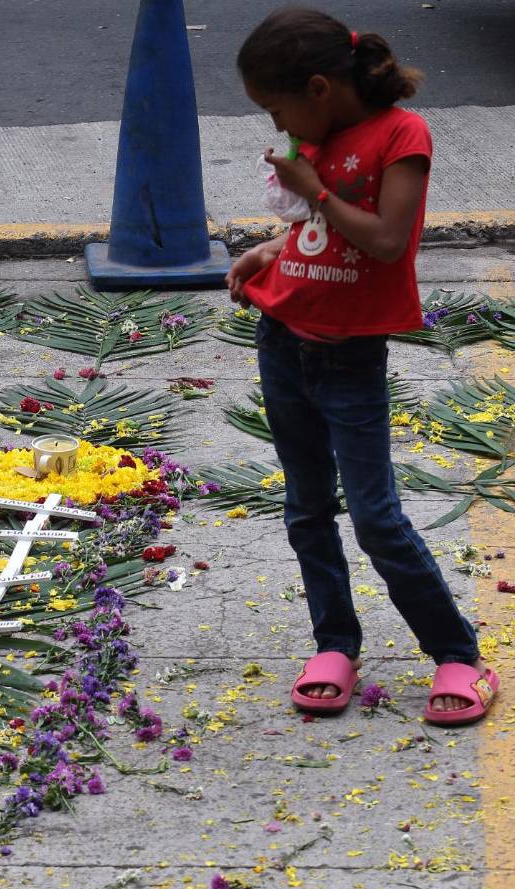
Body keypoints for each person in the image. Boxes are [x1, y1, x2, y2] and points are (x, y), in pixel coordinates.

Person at [226, 6, 499, 725]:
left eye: (275, 108)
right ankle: (335, 644)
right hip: (282, 338)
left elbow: (384, 240)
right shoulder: (315, 137)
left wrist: (312, 186)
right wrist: (269, 251)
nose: (274, 124)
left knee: (375, 517)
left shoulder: (400, 134)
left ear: (319, 89)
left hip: (348, 357)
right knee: (307, 507)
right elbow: (315, 231)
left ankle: (457, 655)